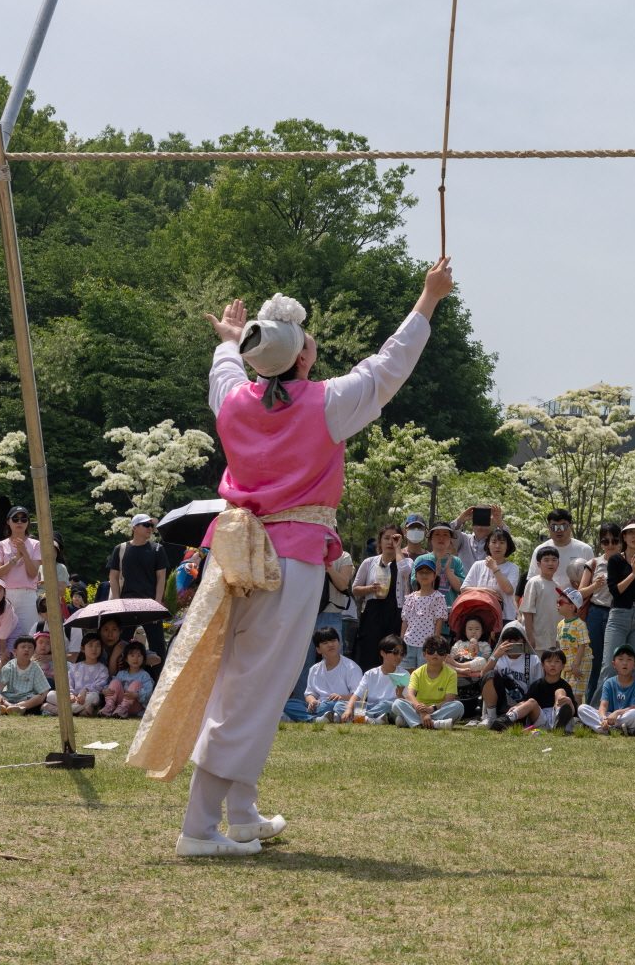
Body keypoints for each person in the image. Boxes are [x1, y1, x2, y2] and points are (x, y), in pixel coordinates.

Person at [127, 262, 450, 859]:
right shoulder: (325, 404)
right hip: (289, 560)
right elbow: (388, 365)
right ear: (303, 355)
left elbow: (226, 370)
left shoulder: (233, 400)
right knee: (253, 688)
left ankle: (242, 813)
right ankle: (198, 828)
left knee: (252, 683)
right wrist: (427, 301)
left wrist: (229, 342)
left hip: (236, 553)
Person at [107, 514, 171, 663]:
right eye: (146, 525)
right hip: (127, 603)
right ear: (134, 528)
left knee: (158, 646)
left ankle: (158, 682)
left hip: (150, 604)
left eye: (152, 525)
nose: (150, 528)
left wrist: (157, 603)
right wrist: (117, 602)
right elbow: (113, 576)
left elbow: (162, 577)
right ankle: (119, 678)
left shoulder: (157, 549)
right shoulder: (121, 548)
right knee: (121, 644)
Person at [600, 521, 635, 677]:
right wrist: (633, 572)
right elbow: (615, 591)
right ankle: (601, 702)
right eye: (631, 533)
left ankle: (629, 702)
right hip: (619, 616)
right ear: (624, 537)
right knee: (610, 667)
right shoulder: (615, 560)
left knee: (633, 668)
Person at [577, 522, 620, 706]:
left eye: (614, 540)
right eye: (605, 541)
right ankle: (591, 706)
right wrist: (595, 585)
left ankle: (610, 704)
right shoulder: (593, 563)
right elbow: (580, 593)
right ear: (600, 542)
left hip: (617, 613)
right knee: (594, 663)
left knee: (614, 663)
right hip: (595, 612)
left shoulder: (625, 562)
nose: (610, 544)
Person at [351, 526, 406, 670]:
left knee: (392, 652)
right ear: (379, 541)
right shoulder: (369, 562)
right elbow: (355, 589)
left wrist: (399, 549)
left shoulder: (404, 564)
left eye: (394, 538)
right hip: (373, 614)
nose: (390, 542)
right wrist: (370, 589)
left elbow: (407, 572)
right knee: (369, 651)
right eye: (386, 538)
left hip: (396, 614)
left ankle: (393, 690)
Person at [283, 626, 363, 723]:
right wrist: (312, 701)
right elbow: (309, 693)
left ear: (339, 644)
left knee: (332, 705)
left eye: (333, 641)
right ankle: (316, 719)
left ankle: (310, 718)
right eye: (325, 643)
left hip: (339, 705)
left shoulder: (351, 667)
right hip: (320, 705)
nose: (330, 645)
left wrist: (341, 697)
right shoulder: (314, 669)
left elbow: (359, 696)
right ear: (318, 649)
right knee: (287, 703)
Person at [0, 507, 43, 646]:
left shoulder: (36, 544)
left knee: (28, 637)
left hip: (27, 595)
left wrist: (24, 552)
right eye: (15, 518)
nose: (19, 522)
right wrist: (15, 559)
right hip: (6, 595)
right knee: (2, 636)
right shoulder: (1, 545)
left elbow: (33, 573)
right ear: (8, 521)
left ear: (28, 522)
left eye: (23, 519)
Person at [495, 648, 578, 732]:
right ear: (543, 665)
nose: (553, 664)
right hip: (541, 719)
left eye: (557, 661)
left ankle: (560, 718)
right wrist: (516, 707)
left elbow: (573, 712)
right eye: (549, 661)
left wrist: (569, 702)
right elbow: (525, 701)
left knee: (560, 691)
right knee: (531, 701)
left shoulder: (565, 686)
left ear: (563, 666)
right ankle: (507, 719)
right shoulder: (537, 684)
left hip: (556, 715)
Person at [578, 645, 635, 735]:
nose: (625, 663)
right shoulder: (609, 682)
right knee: (582, 708)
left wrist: (617, 713)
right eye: (621, 659)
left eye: (629, 660)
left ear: (634, 665)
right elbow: (603, 706)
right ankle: (611, 727)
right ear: (614, 664)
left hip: (625, 715)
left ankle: (603, 728)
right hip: (610, 717)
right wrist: (603, 718)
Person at [399, 560, 448, 670]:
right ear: (416, 576)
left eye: (428, 572)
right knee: (406, 673)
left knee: (424, 673)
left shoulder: (438, 597)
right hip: (408, 642)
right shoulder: (410, 598)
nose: (424, 575)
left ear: (434, 576)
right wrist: (401, 640)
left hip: (427, 645)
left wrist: (435, 642)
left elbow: (440, 621)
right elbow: (405, 621)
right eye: (421, 572)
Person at [348, 635, 408, 724]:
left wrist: (400, 695)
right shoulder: (370, 674)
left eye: (402, 653)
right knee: (340, 705)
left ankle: (360, 718)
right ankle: (371, 719)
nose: (399, 656)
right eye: (395, 652)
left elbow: (405, 703)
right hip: (371, 707)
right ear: (383, 653)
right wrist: (348, 709)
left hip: (388, 708)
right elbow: (357, 696)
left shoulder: (403, 674)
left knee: (388, 705)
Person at [532, 508, 593, 593]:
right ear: (548, 528)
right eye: (554, 527)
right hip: (547, 600)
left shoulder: (585, 549)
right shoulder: (540, 550)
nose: (559, 530)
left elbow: (593, 580)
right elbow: (533, 580)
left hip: (576, 602)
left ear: (570, 527)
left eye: (563, 526)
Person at [519, 546, 564, 654]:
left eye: (554, 560)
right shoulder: (534, 582)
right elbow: (527, 611)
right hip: (537, 641)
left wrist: (558, 640)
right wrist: (530, 637)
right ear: (538, 564)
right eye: (546, 560)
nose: (550, 563)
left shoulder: (557, 586)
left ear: (558, 563)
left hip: (552, 641)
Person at [0, 636, 52, 715]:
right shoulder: (10, 665)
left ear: (33, 652)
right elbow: (1, 683)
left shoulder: (35, 667)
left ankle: (15, 707)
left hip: (26, 698)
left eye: (30, 647)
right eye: (23, 647)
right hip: (9, 697)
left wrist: (40, 700)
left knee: (38, 697)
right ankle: (10, 706)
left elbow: (44, 689)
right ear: (15, 651)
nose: (26, 650)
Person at [553, 588, 589, 699]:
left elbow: (582, 645)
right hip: (568, 665)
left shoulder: (580, 624)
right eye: (557, 602)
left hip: (581, 663)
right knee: (568, 692)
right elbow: (558, 644)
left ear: (572, 607)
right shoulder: (560, 624)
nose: (558, 604)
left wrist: (576, 665)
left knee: (575, 695)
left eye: (561, 602)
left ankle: (577, 715)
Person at [104, 641, 155, 717]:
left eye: (139, 655)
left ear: (143, 658)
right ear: (126, 659)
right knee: (115, 681)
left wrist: (137, 695)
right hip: (118, 706)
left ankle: (124, 707)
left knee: (136, 683)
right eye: (132, 655)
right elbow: (112, 685)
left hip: (134, 706)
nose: (135, 659)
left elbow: (149, 693)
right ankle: (109, 706)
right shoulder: (121, 674)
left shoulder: (144, 675)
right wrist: (104, 690)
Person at [69, 634, 111, 716]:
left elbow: (100, 685)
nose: (94, 649)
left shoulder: (103, 669)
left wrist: (85, 691)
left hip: (89, 697)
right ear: (82, 649)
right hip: (74, 698)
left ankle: (59, 710)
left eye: (97, 646)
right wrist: (71, 695)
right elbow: (68, 682)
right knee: (50, 695)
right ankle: (80, 711)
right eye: (90, 645)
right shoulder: (75, 667)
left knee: (94, 696)